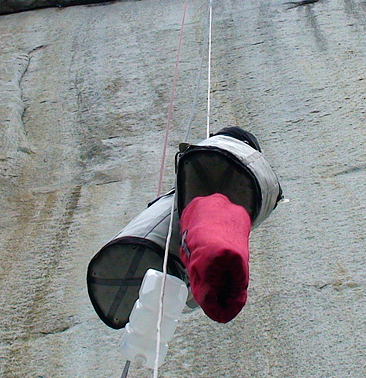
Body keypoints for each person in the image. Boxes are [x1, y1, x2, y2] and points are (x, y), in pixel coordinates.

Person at [86, 126, 281, 326]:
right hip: (189, 255)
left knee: (206, 222)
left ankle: (205, 273)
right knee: (208, 228)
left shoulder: (200, 198)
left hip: (171, 237)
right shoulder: (241, 202)